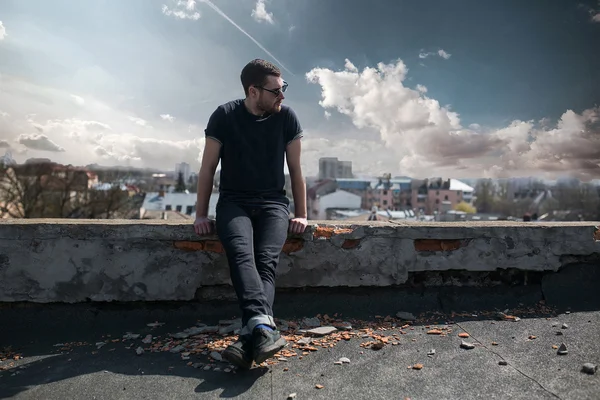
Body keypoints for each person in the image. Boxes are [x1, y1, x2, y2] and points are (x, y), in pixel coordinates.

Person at [193, 59, 308, 369]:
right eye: (276, 91)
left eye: (284, 88)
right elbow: (207, 169)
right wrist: (201, 214)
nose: (282, 96)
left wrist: (303, 213)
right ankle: (263, 330)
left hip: (273, 204)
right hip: (234, 203)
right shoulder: (225, 115)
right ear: (253, 91)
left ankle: (251, 335)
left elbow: (296, 170)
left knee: (266, 261)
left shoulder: (287, 118)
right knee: (241, 254)